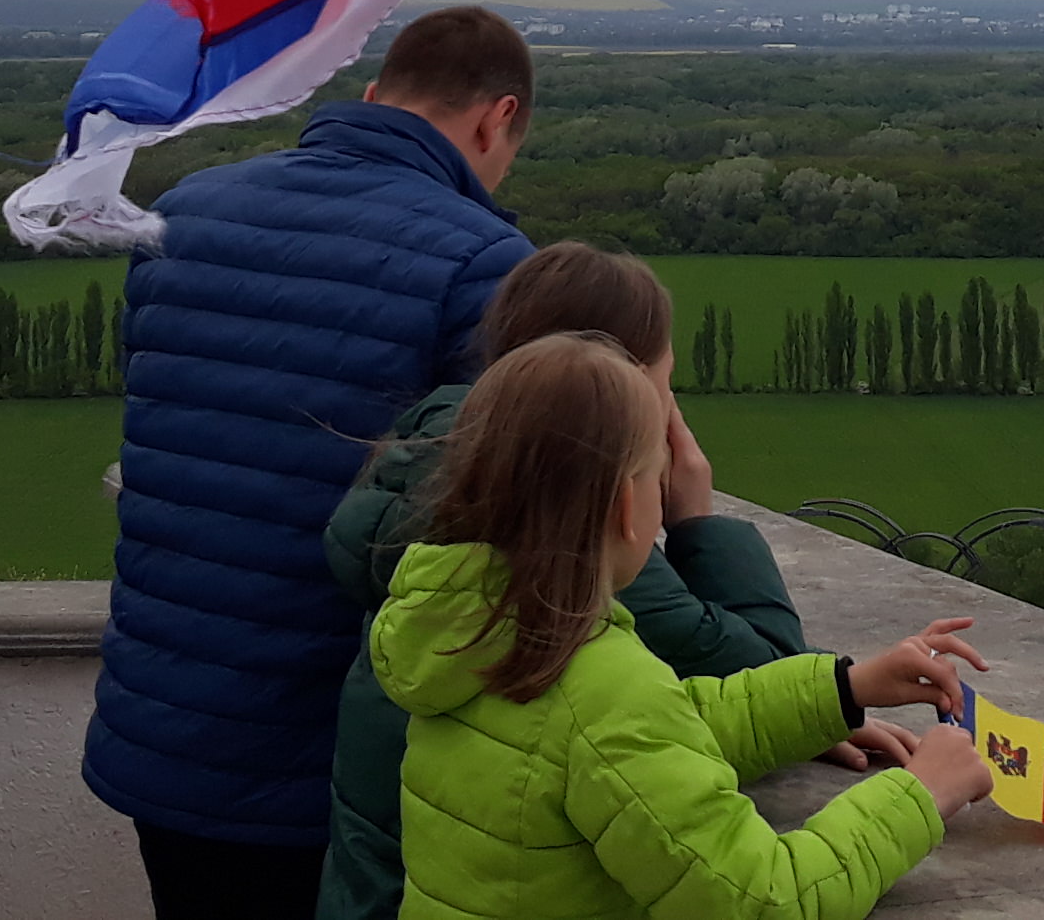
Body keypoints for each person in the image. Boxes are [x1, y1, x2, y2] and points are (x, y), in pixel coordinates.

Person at [84, 5, 547, 916]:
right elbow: (524, 519)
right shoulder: (481, 259)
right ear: (497, 119)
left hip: (164, 720)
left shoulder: (182, 215)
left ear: (374, 96)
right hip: (333, 752)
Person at [322, 242, 863, 920]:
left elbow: (640, 725)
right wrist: (698, 521)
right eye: (666, 393)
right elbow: (756, 890)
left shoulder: (454, 587)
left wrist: (837, 692)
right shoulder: (567, 605)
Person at [373, 332, 990, 920]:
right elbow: (760, 901)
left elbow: (660, 732)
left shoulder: (469, 628)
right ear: (625, 506)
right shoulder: (595, 683)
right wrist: (921, 796)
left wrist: (842, 688)